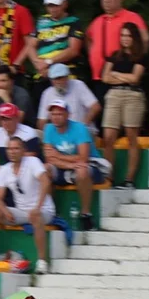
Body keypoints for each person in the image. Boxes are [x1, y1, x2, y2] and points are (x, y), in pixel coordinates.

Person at [0, 137, 54, 274]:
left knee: (36, 217)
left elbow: (45, 182)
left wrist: (37, 208)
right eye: (9, 149)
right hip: (21, 211)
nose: (12, 152)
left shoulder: (33, 162)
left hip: (43, 209)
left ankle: (42, 261)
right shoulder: (4, 169)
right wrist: (4, 211)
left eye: (16, 148)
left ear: (23, 150)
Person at [41, 99, 108, 231]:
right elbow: (49, 158)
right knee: (45, 169)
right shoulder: (48, 129)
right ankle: (50, 212)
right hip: (67, 167)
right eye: (53, 114)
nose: (55, 117)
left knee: (82, 172)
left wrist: (58, 156)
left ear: (68, 115)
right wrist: (69, 164)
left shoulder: (80, 128)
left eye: (59, 114)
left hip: (90, 164)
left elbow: (83, 158)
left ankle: (86, 214)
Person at [86, 0, 149, 107]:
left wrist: (136, 62)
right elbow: (88, 38)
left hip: (121, 78)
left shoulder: (132, 17)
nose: (106, 1)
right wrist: (92, 55)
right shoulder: (98, 20)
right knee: (104, 119)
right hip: (99, 77)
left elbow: (145, 40)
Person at [101, 23, 146, 189]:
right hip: (114, 94)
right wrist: (123, 77)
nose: (125, 39)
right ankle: (109, 177)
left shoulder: (141, 56)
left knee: (131, 137)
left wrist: (116, 74)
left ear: (134, 38)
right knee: (108, 137)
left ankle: (129, 179)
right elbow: (105, 77)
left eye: (128, 36)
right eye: (123, 35)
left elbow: (135, 79)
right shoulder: (115, 55)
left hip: (133, 95)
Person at [22, 0, 85, 109]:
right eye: (49, 5)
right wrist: (37, 64)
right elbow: (30, 45)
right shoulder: (42, 21)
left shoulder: (73, 22)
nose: (52, 9)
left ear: (64, 4)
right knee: (41, 112)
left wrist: (47, 63)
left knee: (66, 110)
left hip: (66, 74)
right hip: (42, 74)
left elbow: (73, 50)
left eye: (56, 5)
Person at [35, 64, 100, 131]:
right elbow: (41, 121)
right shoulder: (47, 93)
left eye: (60, 78)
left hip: (83, 131)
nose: (58, 81)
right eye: (54, 79)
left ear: (67, 77)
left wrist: (82, 126)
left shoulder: (78, 85)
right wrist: (52, 134)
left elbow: (95, 107)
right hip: (59, 135)